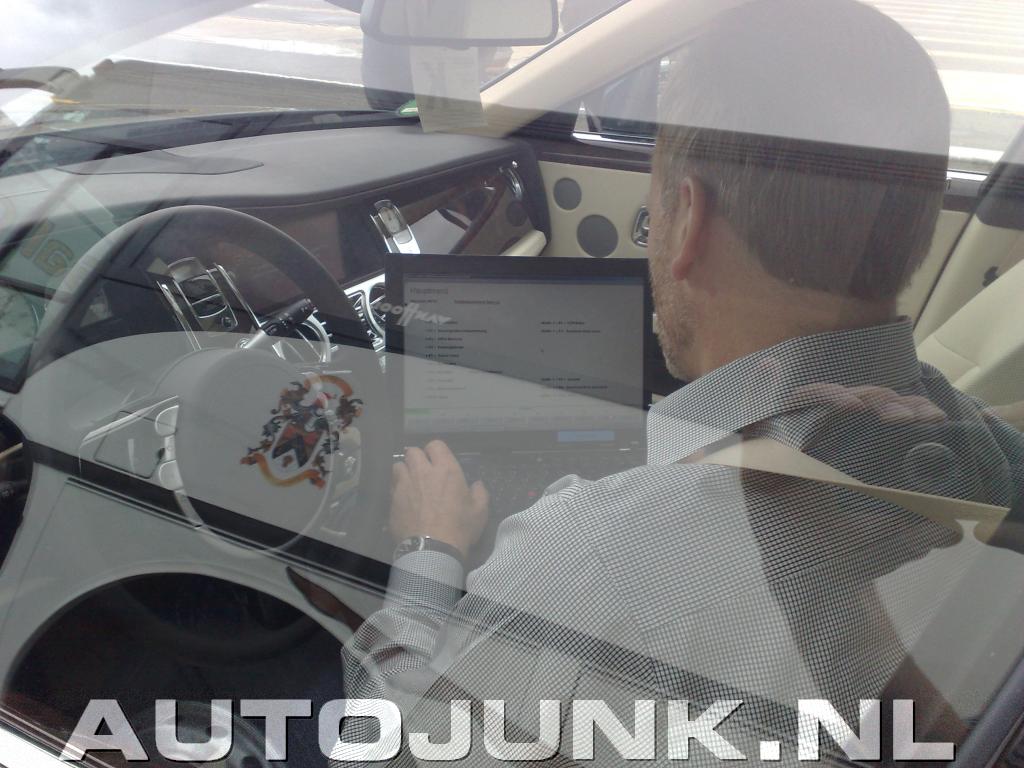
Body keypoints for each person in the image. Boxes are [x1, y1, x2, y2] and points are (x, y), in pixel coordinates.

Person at [334, 0, 1024, 764]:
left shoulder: (586, 557)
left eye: (651, 210)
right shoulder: (989, 465)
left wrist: (428, 550)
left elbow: (375, 750)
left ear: (688, 219)